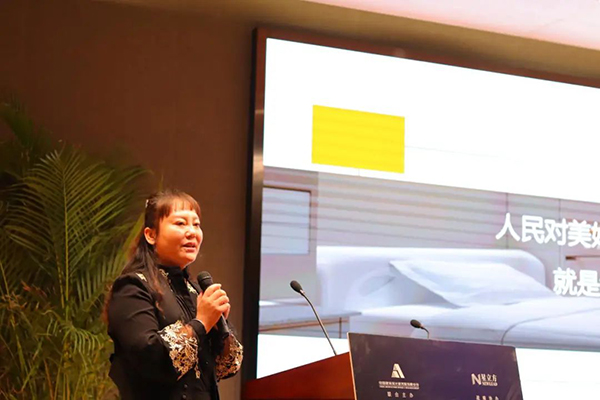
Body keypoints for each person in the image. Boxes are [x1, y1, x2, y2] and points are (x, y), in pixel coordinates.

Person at [106, 190, 242, 400]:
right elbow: (149, 358)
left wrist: (219, 331)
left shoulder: (194, 290)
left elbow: (227, 367)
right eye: (180, 223)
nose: (192, 232)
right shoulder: (133, 286)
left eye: (196, 225)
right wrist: (202, 322)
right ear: (151, 235)